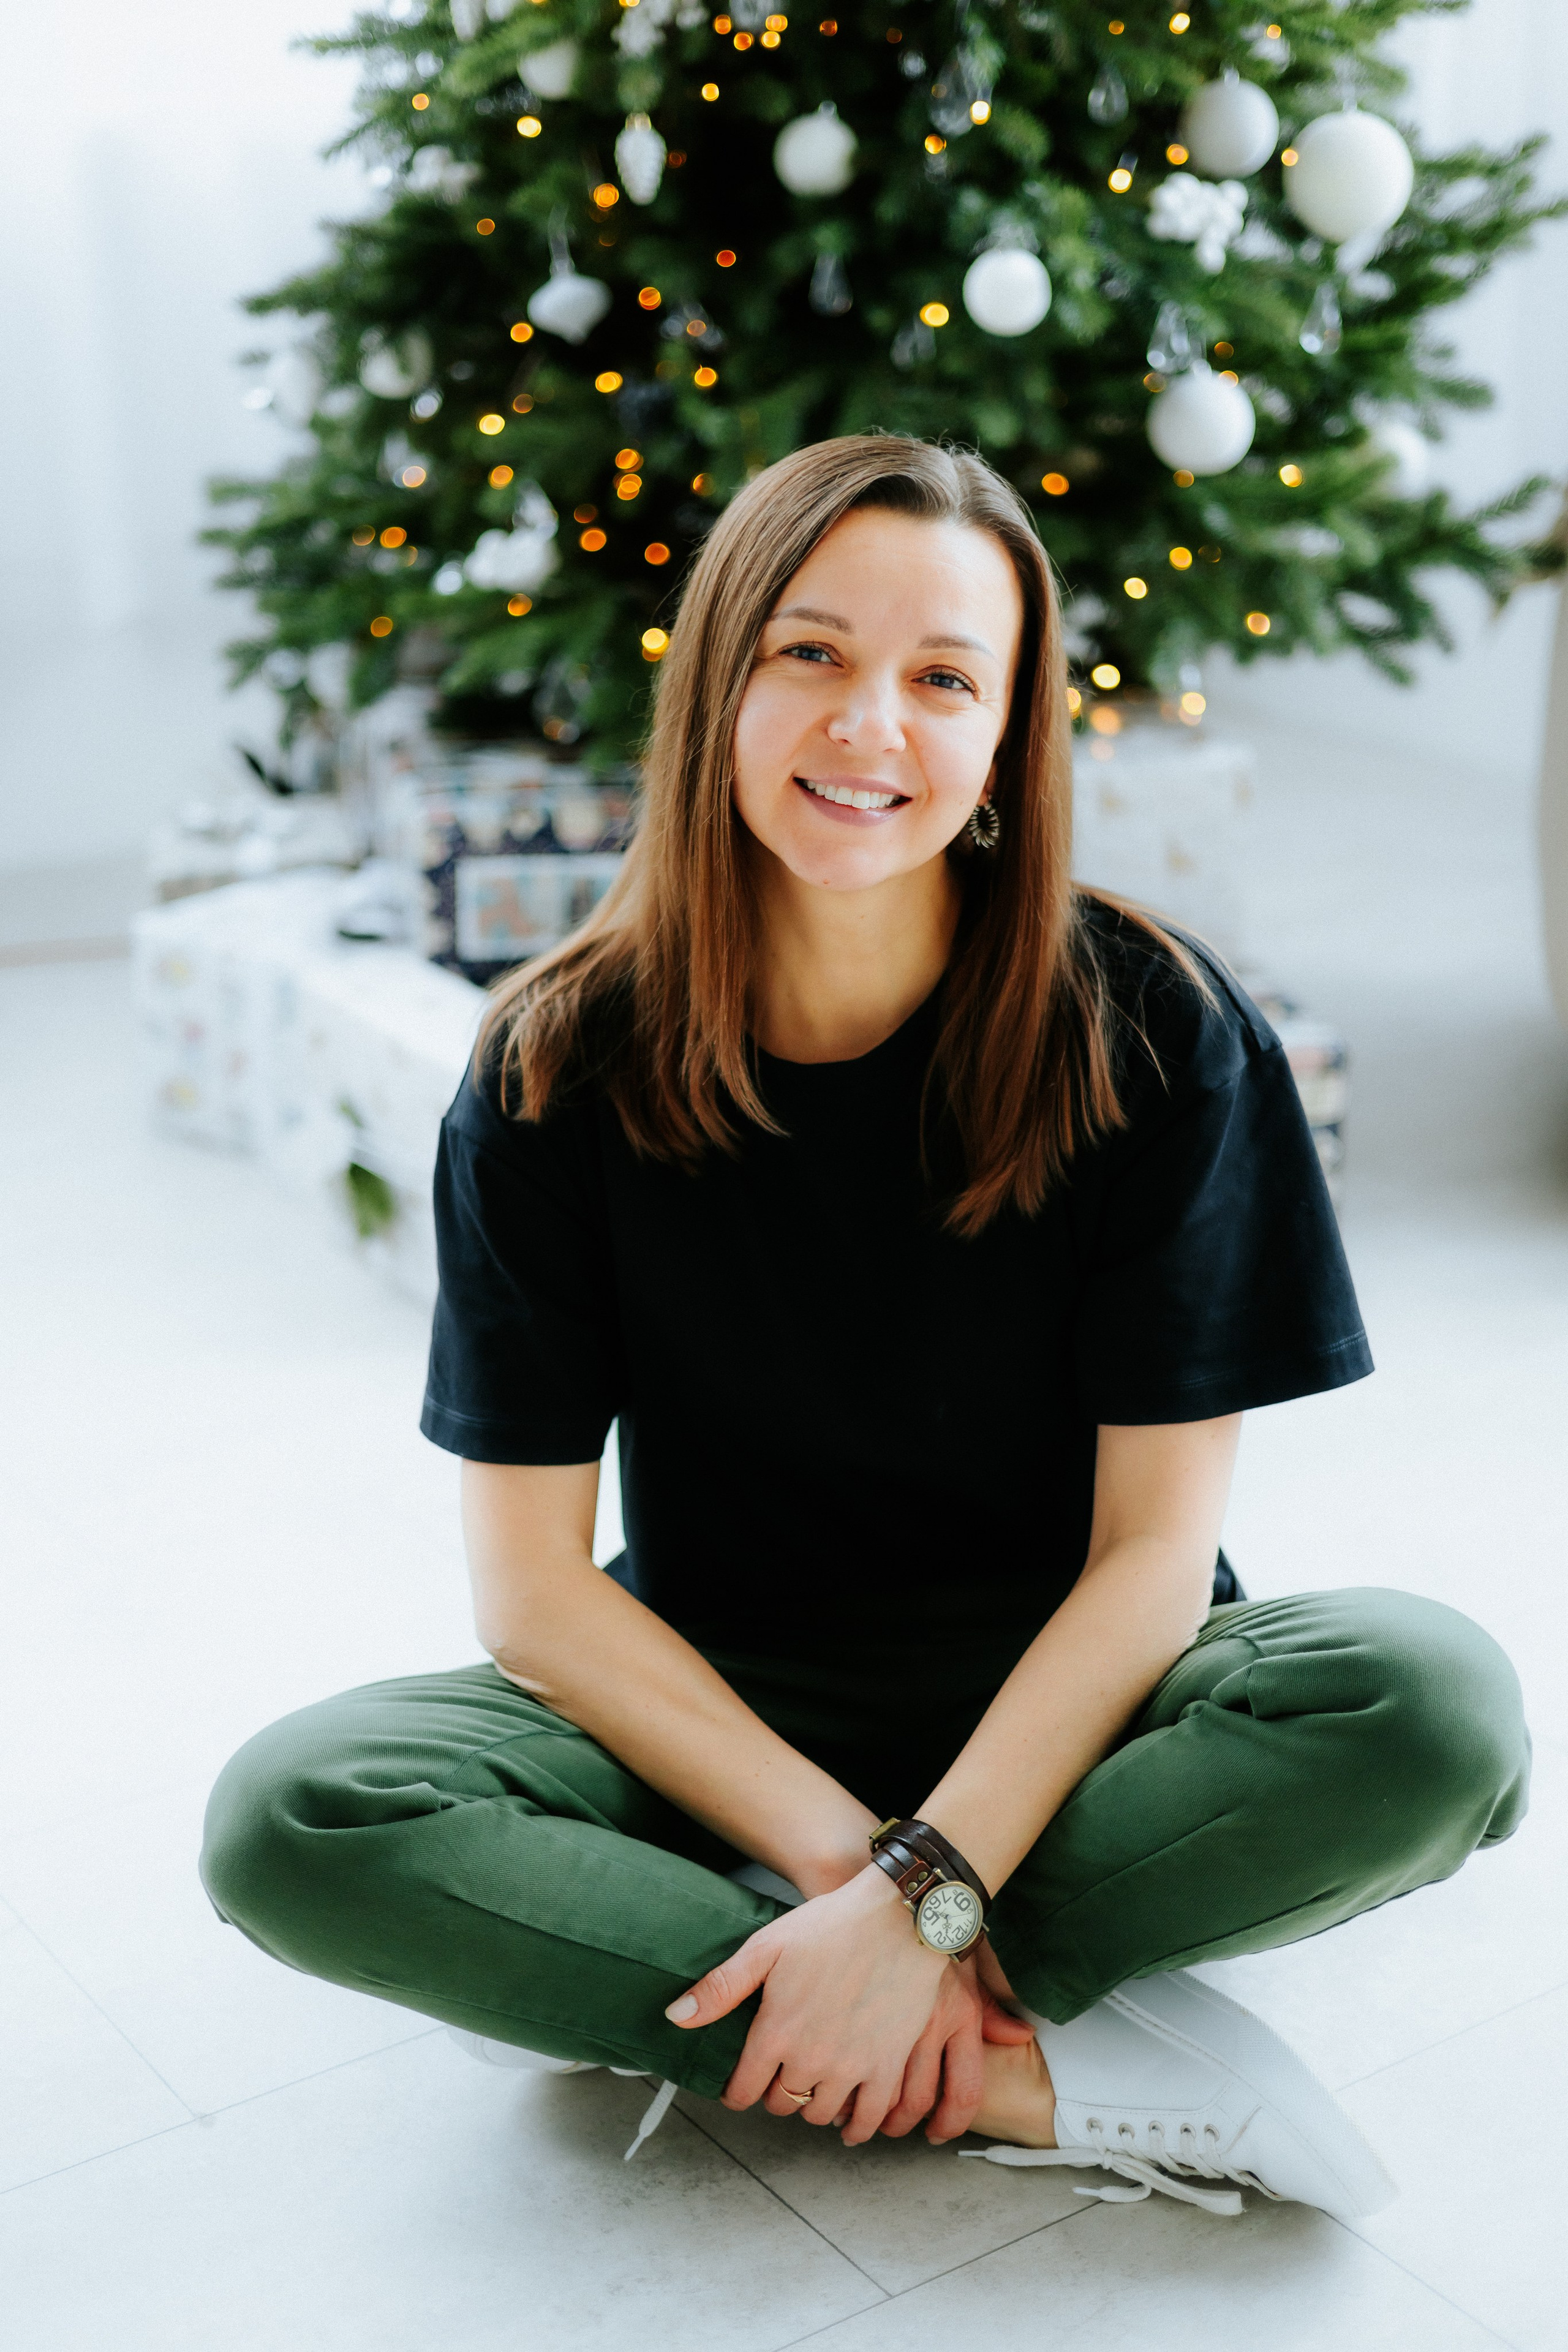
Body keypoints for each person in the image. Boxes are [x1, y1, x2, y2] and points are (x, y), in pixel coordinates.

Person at [203, 435, 1529, 2218]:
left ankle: (749, 1985)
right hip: (720, 1713)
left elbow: (1151, 1560)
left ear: (1003, 739)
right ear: (722, 678)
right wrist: (883, 1876)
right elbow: (531, 1593)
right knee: (297, 1820)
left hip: (1088, 1699)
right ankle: (1016, 2064)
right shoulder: (548, 1069)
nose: (868, 725)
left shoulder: (1158, 1029)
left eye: (942, 678)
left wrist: (924, 1886)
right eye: (809, 653)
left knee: (1434, 1714)